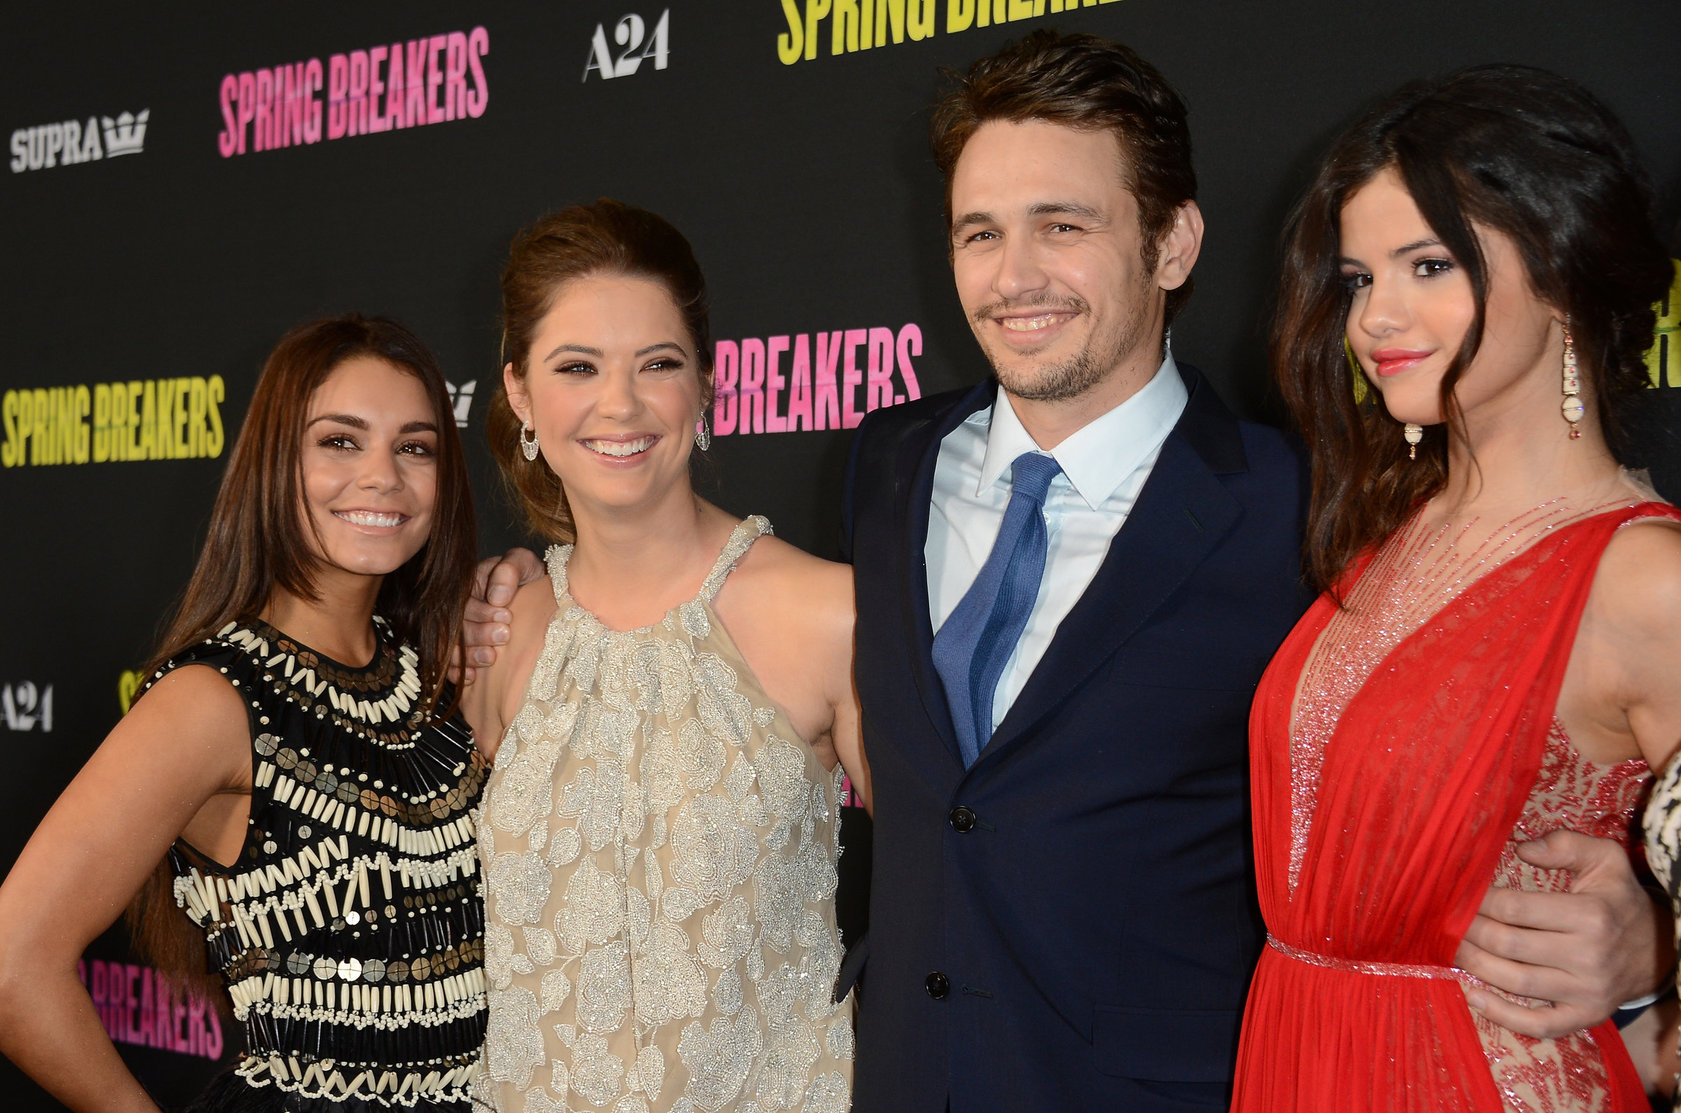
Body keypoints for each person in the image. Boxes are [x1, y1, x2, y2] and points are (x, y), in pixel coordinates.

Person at [463, 33, 1670, 1112]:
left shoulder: (1300, 506)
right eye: (979, 232)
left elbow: (1453, 757)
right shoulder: (890, 461)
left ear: (1174, 242)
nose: (1013, 275)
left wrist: (1645, 933)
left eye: (1064, 225)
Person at [1229, 65, 1681, 1111]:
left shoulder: (1643, 578)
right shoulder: (1384, 534)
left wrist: (1653, 958)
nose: (1376, 316)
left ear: (1562, 265)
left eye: (1427, 264)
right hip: (1297, 1058)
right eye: (1356, 278)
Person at [0, 315, 487, 1112]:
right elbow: (14, 962)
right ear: (273, 462)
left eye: (415, 446)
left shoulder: (432, 672)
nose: (382, 476)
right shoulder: (209, 699)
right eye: (339, 441)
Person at [462, 200, 866, 1113]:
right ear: (520, 394)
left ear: (705, 386)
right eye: (577, 368)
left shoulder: (829, 614)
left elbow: (958, 890)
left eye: (658, 364)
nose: (621, 405)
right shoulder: (498, 632)